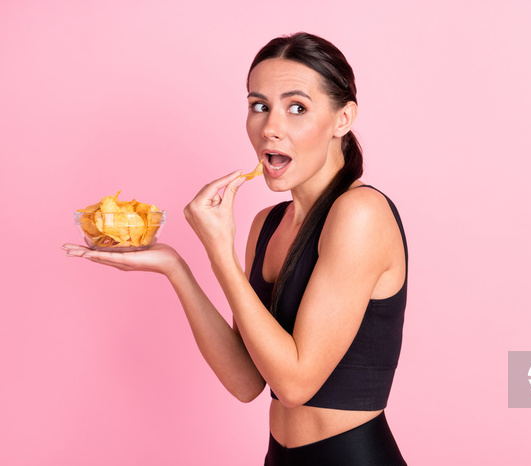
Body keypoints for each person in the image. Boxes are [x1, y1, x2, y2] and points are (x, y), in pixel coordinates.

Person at [63, 32, 408, 465]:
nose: (270, 127)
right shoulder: (267, 224)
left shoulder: (361, 213)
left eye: (296, 107)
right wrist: (176, 267)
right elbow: (247, 381)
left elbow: (295, 384)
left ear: (343, 119)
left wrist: (219, 254)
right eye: (259, 106)